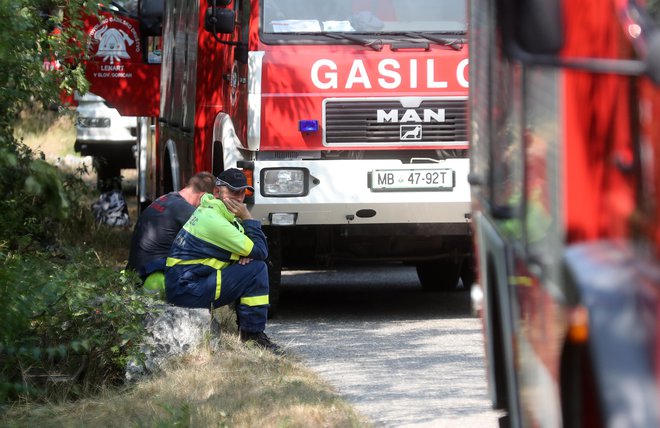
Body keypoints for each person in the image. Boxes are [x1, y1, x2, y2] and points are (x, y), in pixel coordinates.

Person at [164, 168, 282, 354]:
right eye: (233, 191)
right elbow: (261, 251)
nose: (238, 197)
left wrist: (247, 251)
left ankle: (249, 330)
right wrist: (247, 217)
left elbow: (253, 248)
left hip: (187, 283)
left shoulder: (215, 213)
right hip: (187, 289)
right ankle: (252, 336)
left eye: (242, 192)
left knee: (253, 265)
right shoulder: (214, 221)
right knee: (257, 269)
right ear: (217, 192)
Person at [126, 171, 216, 294]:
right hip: (152, 278)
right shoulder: (186, 210)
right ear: (203, 196)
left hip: (134, 273)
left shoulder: (166, 198)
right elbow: (217, 238)